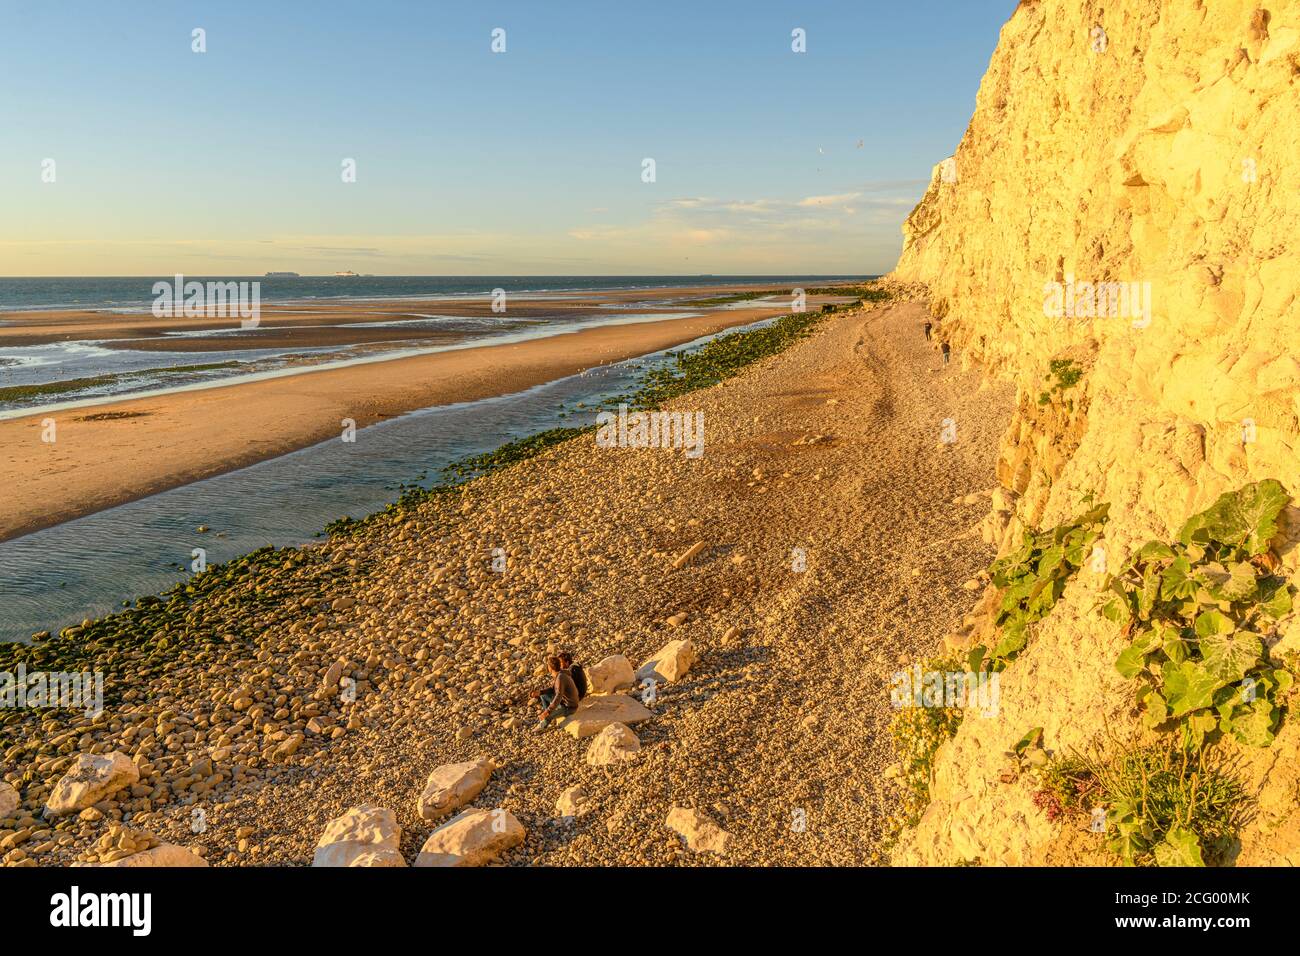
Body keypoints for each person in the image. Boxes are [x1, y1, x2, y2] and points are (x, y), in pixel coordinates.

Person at [536, 655, 580, 732]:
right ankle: (548, 720)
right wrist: (540, 692)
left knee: (547, 716)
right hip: (563, 702)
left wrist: (548, 711)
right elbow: (553, 689)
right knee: (543, 696)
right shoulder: (560, 674)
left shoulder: (560, 677)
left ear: (550, 668)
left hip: (569, 707)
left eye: (548, 665)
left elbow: (558, 696)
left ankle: (544, 724)